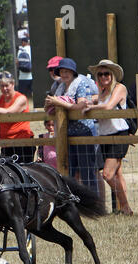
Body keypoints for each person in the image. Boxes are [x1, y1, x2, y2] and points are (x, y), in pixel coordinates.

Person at [83, 59, 133, 215]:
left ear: (112, 75)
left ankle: (125, 206)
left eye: (106, 73)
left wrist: (90, 107)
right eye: (100, 74)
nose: (103, 77)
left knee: (107, 174)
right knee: (117, 174)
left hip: (119, 134)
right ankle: (125, 209)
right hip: (105, 135)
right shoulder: (102, 91)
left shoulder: (119, 88)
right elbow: (92, 101)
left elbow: (108, 106)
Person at [44, 58, 98, 193]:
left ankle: (93, 203)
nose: (64, 74)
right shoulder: (59, 86)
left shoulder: (80, 83)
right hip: (66, 133)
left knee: (87, 171)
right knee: (70, 169)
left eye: (67, 71)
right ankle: (73, 201)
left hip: (83, 132)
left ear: (73, 72)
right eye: (62, 71)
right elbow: (49, 107)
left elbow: (81, 105)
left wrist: (59, 103)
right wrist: (50, 103)